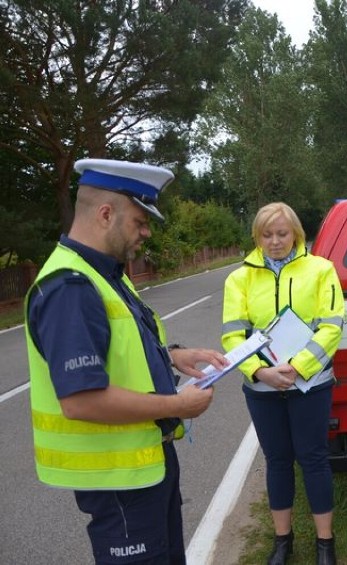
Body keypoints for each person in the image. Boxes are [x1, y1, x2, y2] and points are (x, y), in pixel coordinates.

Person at [25, 158, 229, 564]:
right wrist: (177, 405)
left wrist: (172, 357)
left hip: (144, 467)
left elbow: (119, 350)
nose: (147, 232)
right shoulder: (70, 286)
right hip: (120, 482)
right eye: (140, 221)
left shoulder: (105, 274)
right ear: (105, 214)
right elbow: (81, 400)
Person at [221, 202, 344, 565]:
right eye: (266, 234)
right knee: (277, 461)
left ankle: (325, 543)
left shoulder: (322, 270)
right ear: (257, 237)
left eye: (282, 233)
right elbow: (232, 335)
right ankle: (282, 540)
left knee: (314, 459)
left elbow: (332, 324)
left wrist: (299, 366)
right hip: (263, 388)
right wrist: (261, 372)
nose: (275, 241)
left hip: (311, 383)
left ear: (296, 234)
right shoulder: (239, 278)